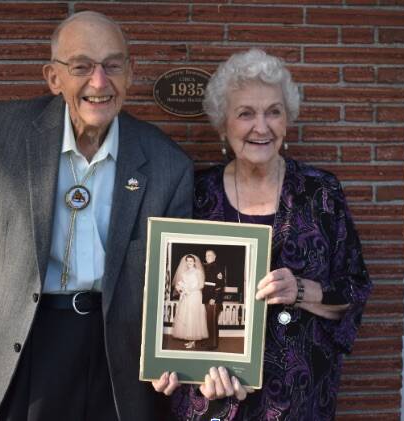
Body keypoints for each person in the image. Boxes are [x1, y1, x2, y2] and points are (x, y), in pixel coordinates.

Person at [0, 11, 193, 421]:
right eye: (81, 67)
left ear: (130, 73)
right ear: (54, 77)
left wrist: (175, 355)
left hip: (119, 350)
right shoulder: (3, 132)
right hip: (28, 337)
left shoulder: (168, 163)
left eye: (113, 66)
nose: (99, 83)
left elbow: (172, 285)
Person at [156, 48, 372, 420]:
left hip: (299, 399)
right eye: (245, 113)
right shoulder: (194, 194)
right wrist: (180, 367)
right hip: (214, 399)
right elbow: (164, 299)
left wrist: (301, 290)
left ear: (287, 120)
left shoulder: (320, 193)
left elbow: (355, 289)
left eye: (274, 111)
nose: (262, 126)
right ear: (223, 125)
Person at [171, 254, 209, 349]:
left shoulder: (198, 272)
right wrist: (181, 289)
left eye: (191, 261)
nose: (189, 263)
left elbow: (201, 285)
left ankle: (193, 340)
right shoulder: (184, 273)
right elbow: (180, 284)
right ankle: (190, 339)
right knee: (187, 316)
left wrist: (190, 290)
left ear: (194, 262)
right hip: (186, 296)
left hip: (195, 295)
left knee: (193, 316)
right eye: (187, 261)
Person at [201, 249, 226, 350]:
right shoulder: (206, 267)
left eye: (210, 255)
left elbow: (220, 285)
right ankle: (208, 341)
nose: (208, 257)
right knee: (208, 321)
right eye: (206, 255)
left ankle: (213, 344)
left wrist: (214, 298)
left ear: (215, 257)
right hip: (206, 298)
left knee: (212, 322)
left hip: (213, 299)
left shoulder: (217, 267)